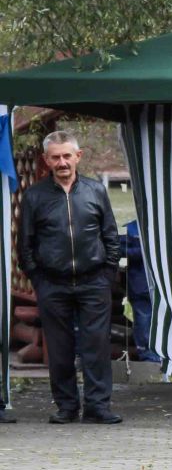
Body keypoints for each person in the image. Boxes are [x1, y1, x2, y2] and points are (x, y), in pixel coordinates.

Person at [17, 130, 122, 424]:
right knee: (59, 349)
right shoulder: (35, 196)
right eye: (55, 157)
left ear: (78, 156)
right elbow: (24, 245)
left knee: (96, 346)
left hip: (93, 281)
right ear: (46, 160)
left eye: (67, 155)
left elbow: (110, 235)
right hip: (53, 283)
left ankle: (98, 406)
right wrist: (39, 279)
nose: (62, 162)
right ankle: (66, 406)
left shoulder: (96, 191)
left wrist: (107, 273)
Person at [121, 220, 161, 363]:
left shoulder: (135, 229)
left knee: (150, 320)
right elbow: (120, 247)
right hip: (142, 285)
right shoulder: (132, 228)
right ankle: (148, 355)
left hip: (149, 284)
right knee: (144, 320)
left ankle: (155, 354)